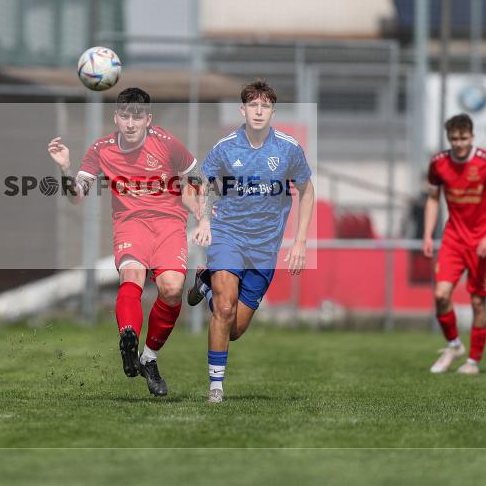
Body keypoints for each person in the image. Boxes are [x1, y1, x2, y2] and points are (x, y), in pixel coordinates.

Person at [47, 87, 198, 397]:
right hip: (130, 226)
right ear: (116, 117)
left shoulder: (167, 144)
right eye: (125, 116)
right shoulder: (100, 149)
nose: (130, 123)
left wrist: (204, 215)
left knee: (171, 289)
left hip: (169, 224)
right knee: (132, 276)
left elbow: (195, 179)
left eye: (137, 117)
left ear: (148, 120)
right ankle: (128, 336)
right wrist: (64, 169)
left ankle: (149, 358)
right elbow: (77, 196)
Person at [188, 79, 315, 403]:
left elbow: (307, 190)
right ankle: (216, 387)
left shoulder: (288, 148)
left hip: (264, 248)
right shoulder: (226, 147)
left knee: (234, 328)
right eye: (253, 105)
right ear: (242, 110)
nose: (259, 111)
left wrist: (300, 242)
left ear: (272, 111)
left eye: (265, 106)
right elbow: (203, 183)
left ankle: (204, 284)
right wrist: (204, 220)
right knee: (226, 307)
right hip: (228, 235)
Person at [422, 113, 486, 375]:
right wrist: (427, 234)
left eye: (464, 138)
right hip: (454, 239)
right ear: (449, 138)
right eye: (454, 138)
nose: (459, 143)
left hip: (482, 242)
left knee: (477, 303)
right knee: (440, 295)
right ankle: (454, 344)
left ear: (472, 136)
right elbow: (433, 199)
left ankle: (473, 361)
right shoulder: (438, 163)